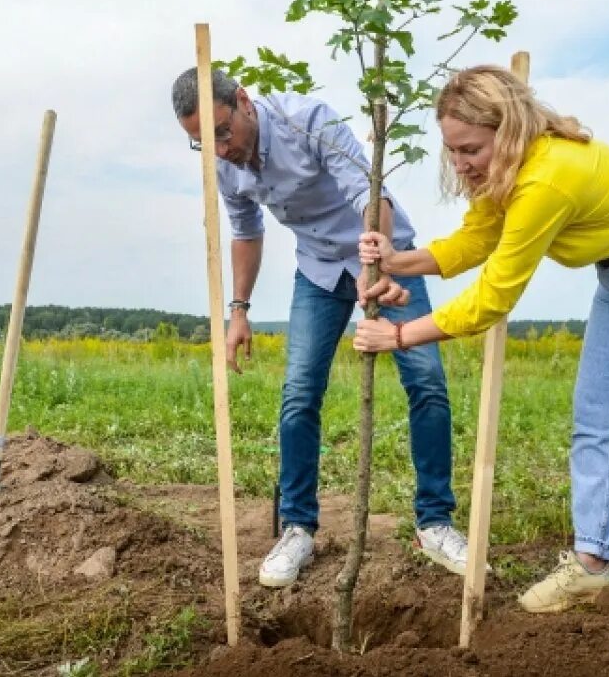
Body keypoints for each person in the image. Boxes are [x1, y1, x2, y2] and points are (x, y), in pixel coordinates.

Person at [352, 65, 609, 648]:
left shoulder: (547, 176)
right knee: (596, 420)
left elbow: (492, 297)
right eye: (452, 152)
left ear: (508, 132)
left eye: (471, 149)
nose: (461, 165)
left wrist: (400, 336)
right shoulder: (509, 176)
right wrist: (400, 262)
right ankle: (591, 568)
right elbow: (478, 240)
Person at [171, 68, 470, 588]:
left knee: (426, 382)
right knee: (299, 393)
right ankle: (298, 528)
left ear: (243, 102)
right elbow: (246, 231)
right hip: (318, 271)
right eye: (202, 141)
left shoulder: (305, 121)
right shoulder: (223, 167)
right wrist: (238, 310)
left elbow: (369, 194)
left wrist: (376, 265)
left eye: (222, 131)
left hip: (383, 254)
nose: (218, 148)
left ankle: (435, 523)